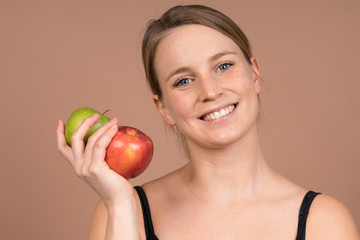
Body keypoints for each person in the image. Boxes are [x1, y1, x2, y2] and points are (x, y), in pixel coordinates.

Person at [56, 5, 359, 240]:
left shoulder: (324, 222)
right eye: (184, 80)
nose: (211, 91)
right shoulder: (121, 210)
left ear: (254, 74)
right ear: (163, 108)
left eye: (224, 66)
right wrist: (120, 204)